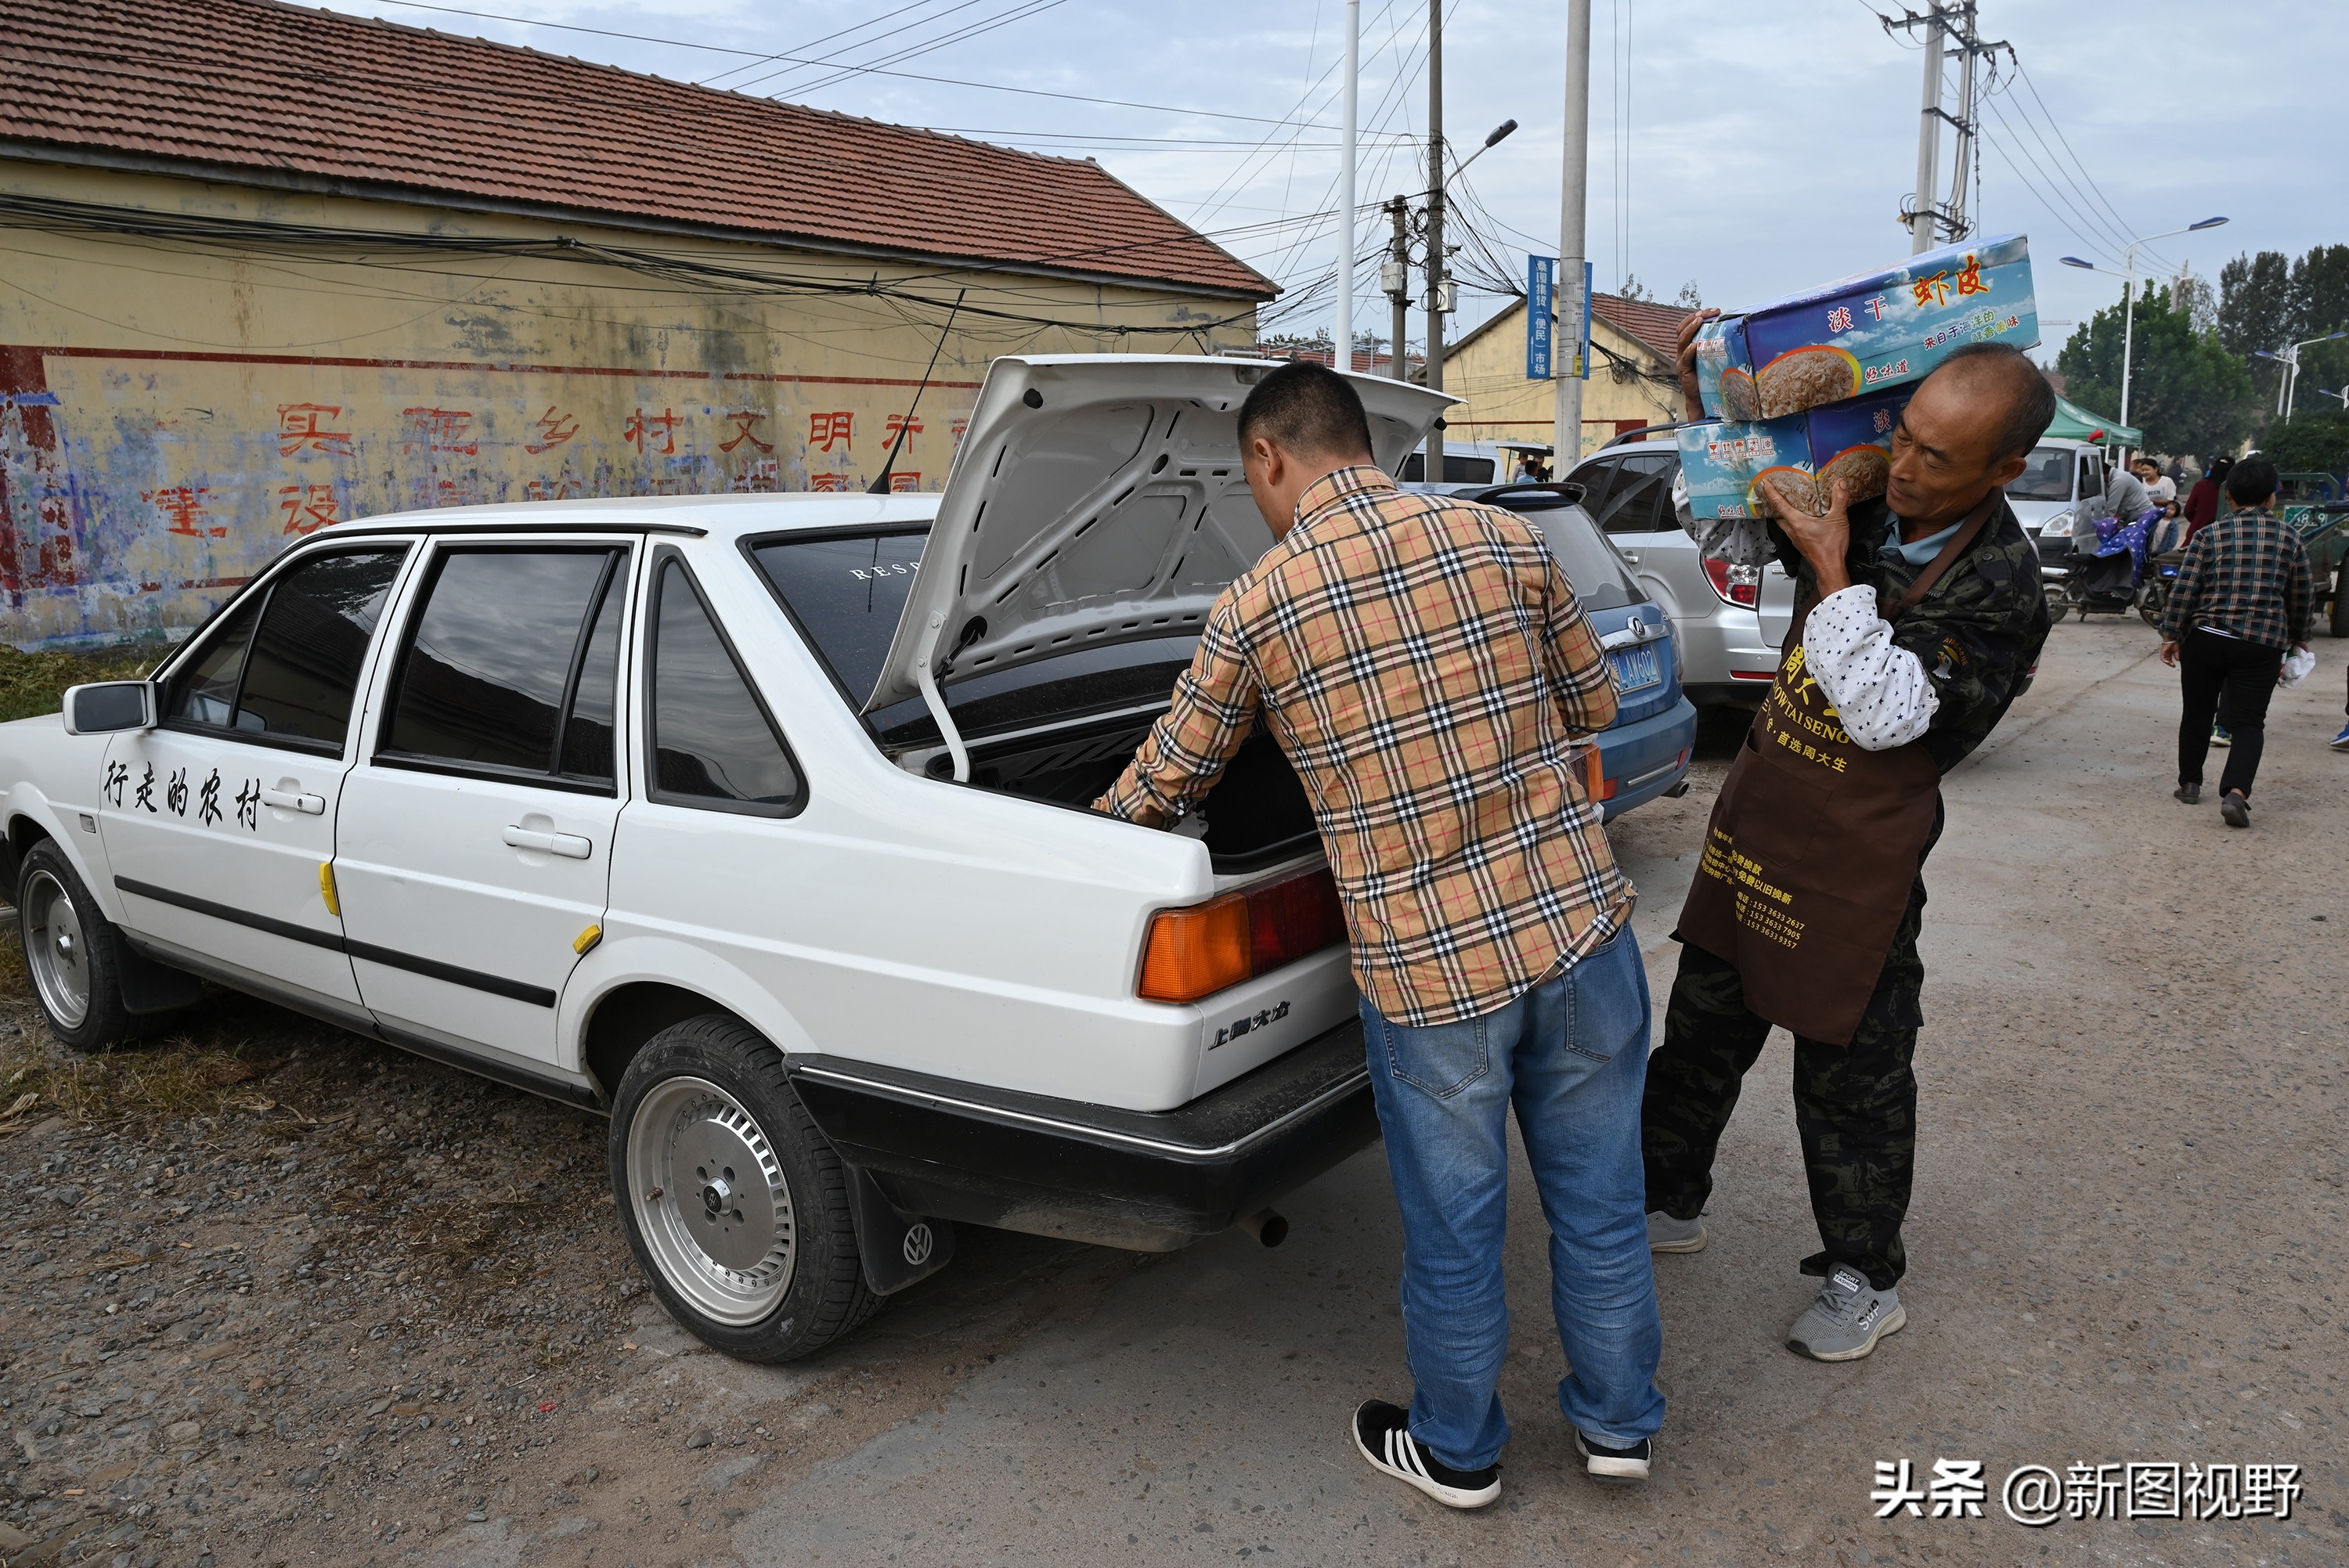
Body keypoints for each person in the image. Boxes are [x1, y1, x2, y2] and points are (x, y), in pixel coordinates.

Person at [1094, 362, 1665, 1508]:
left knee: (1455, 1227)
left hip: (1432, 970)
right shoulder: (1504, 538)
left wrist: (1085, 831)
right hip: (1579, 926)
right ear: (1362, 440)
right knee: (1601, 1198)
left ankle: (1461, 1450)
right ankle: (1617, 1426)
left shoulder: (1260, 603)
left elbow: (1175, 773)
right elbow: (1598, 703)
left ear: (1269, 458)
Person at [1647, 319, 2052, 1361]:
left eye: (1939, 458)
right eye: (1905, 437)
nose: (1906, 470)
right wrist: (1706, 396)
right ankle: (1665, 1198)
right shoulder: (1869, 492)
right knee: (1700, 1027)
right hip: (1768, 814)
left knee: (1851, 1070)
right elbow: (1745, 501)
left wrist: (1833, 566)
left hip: (1862, 855)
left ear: (2007, 468)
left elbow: (1883, 711)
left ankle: (1864, 1275)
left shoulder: (2002, 581)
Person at [2159, 456, 2314, 827]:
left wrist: (2170, 633)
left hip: (2207, 636)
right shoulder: (2290, 537)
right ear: (2273, 497)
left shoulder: (2209, 535)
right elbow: (2301, 595)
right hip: (2261, 643)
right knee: (2248, 723)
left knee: (2197, 712)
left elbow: (2185, 589)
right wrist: (2299, 638)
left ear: (2229, 496)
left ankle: (2190, 783)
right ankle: (2236, 793)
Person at [2183, 456, 2231, 543]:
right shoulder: (2232, 489)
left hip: (2197, 531)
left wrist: (2198, 520)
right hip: (2224, 536)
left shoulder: (2201, 485)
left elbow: (2188, 510)